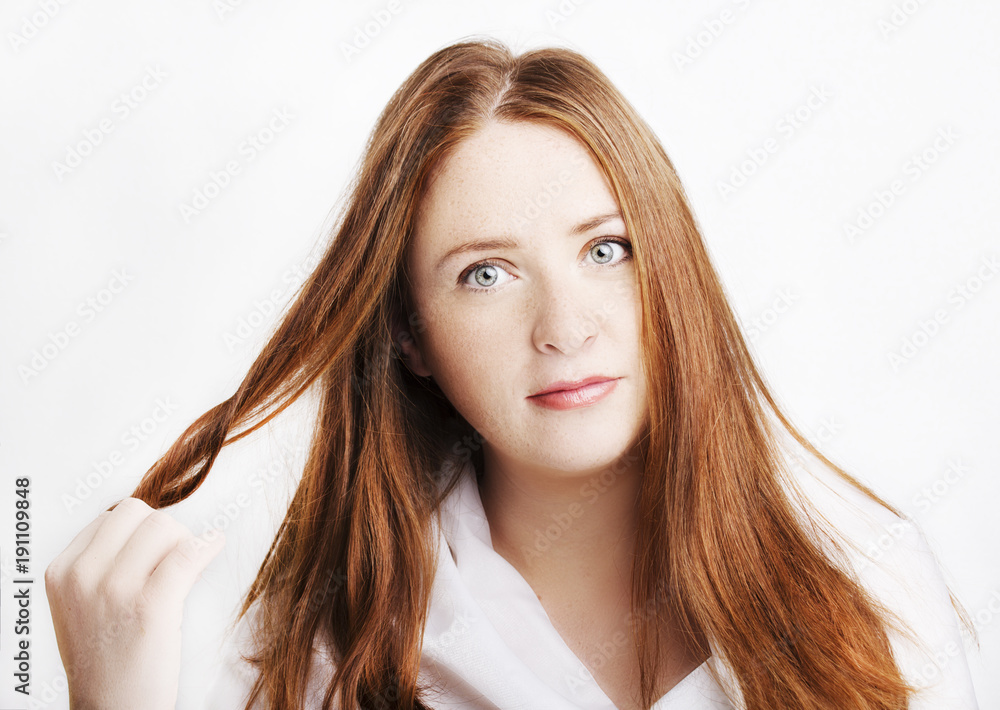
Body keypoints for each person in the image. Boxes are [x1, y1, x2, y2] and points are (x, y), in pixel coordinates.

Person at [44, 36, 980, 710]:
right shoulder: (314, 663)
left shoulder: (872, 597)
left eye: (607, 250)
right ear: (410, 335)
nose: (565, 328)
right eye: (485, 274)